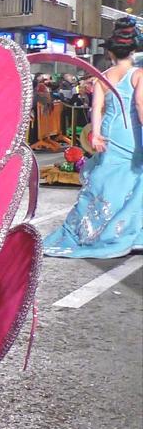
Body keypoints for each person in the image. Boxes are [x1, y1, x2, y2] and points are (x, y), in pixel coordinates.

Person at [44, 17, 143, 258]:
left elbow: (95, 108)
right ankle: (129, 231)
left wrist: (96, 134)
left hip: (109, 131)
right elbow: (140, 105)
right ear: (134, 50)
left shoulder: (103, 75)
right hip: (131, 132)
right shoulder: (138, 74)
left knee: (107, 178)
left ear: (110, 52)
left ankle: (93, 228)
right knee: (133, 178)